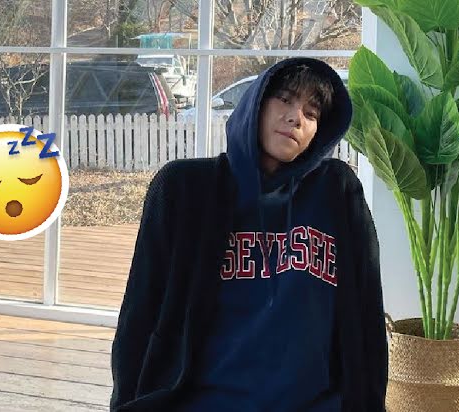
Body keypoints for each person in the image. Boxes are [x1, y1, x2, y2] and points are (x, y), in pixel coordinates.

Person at [110, 57, 387, 411]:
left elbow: (366, 312)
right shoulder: (186, 188)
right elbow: (140, 311)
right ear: (256, 102)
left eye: (312, 113)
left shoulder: (336, 192)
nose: (296, 118)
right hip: (207, 402)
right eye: (285, 99)